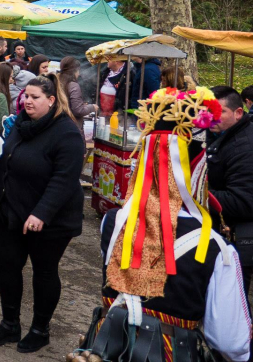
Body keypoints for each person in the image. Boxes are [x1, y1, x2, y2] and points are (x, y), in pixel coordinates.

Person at [78, 86, 251, 362]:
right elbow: (232, 344)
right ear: (197, 166)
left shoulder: (112, 222)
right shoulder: (217, 247)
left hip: (110, 349)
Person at [0, 74, 84, 353]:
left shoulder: (67, 132)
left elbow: (64, 179)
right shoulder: (22, 124)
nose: (27, 101)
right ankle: (10, 324)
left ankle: (41, 329)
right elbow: (14, 161)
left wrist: (41, 213)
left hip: (50, 220)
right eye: (26, 96)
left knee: (44, 272)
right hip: (12, 211)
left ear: (51, 101)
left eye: (34, 97)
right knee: (8, 266)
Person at [208, 86, 253, 294]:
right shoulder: (220, 135)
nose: (210, 117)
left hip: (239, 242)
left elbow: (243, 201)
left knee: (234, 304)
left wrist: (198, 193)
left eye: (219, 111)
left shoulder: (244, 146)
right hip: (226, 237)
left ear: (238, 113)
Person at [59, 55, 95, 131]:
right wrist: (92, 107)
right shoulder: (73, 85)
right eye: (78, 71)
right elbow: (78, 110)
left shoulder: (58, 82)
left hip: (59, 124)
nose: (78, 74)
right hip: (72, 127)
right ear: (75, 70)